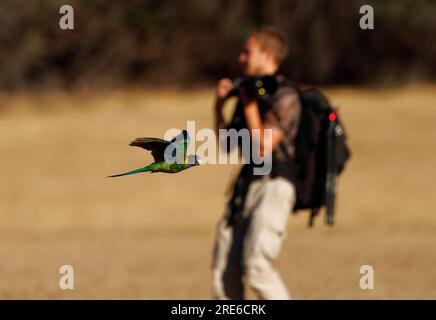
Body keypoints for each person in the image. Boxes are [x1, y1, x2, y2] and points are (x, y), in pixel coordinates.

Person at [212, 26, 301, 300]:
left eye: (246, 52)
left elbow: (263, 146)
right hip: (246, 185)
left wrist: (249, 103)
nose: (240, 58)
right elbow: (226, 145)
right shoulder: (248, 93)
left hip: (274, 185)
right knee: (223, 271)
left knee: (257, 266)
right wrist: (218, 106)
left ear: (268, 54)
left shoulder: (286, 95)